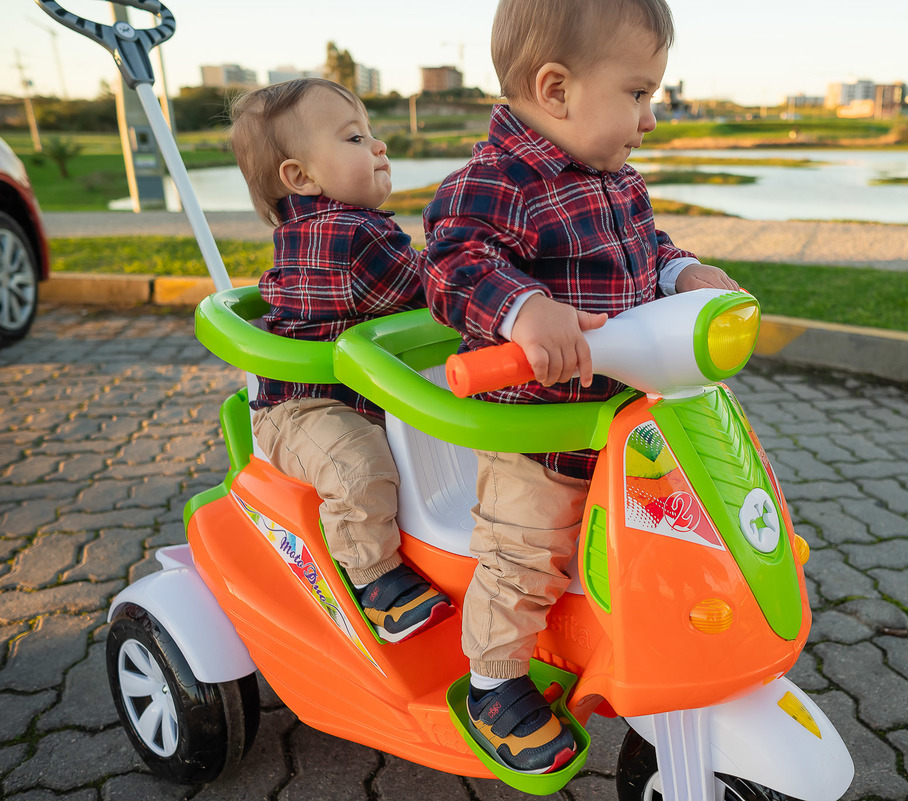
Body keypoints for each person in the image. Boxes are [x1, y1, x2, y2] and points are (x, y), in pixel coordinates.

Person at [422, 0, 738, 774]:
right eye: (638, 93)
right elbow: (452, 264)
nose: (652, 119)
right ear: (556, 90)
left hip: (620, 420)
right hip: (539, 434)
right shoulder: (496, 184)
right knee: (525, 554)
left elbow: (642, 249)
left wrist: (677, 271)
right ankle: (494, 680)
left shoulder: (615, 178)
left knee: (668, 527)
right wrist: (522, 310)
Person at [228, 78, 451, 644]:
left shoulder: (344, 227)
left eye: (372, 133)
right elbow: (438, 291)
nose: (379, 147)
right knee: (358, 464)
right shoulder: (346, 237)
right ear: (300, 177)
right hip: (305, 409)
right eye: (356, 137)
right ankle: (374, 579)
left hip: (352, 395)